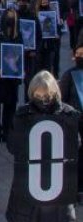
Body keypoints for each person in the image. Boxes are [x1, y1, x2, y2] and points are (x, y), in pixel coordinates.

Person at [6, 70, 80, 222]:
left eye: (47, 96)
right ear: (32, 94)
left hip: (54, 177)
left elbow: (75, 143)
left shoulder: (68, 114)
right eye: (39, 96)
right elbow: (12, 146)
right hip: (30, 178)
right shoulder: (22, 114)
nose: (43, 100)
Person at [0, 9, 22, 142]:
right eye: (8, 17)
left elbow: (20, 55)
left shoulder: (18, 36)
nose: (10, 20)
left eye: (13, 17)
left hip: (12, 78)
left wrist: (21, 70)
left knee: (10, 106)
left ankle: (7, 131)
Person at [58, 41, 83, 203]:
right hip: (75, 124)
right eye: (79, 54)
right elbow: (61, 100)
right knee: (76, 159)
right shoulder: (69, 75)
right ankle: (75, 190)